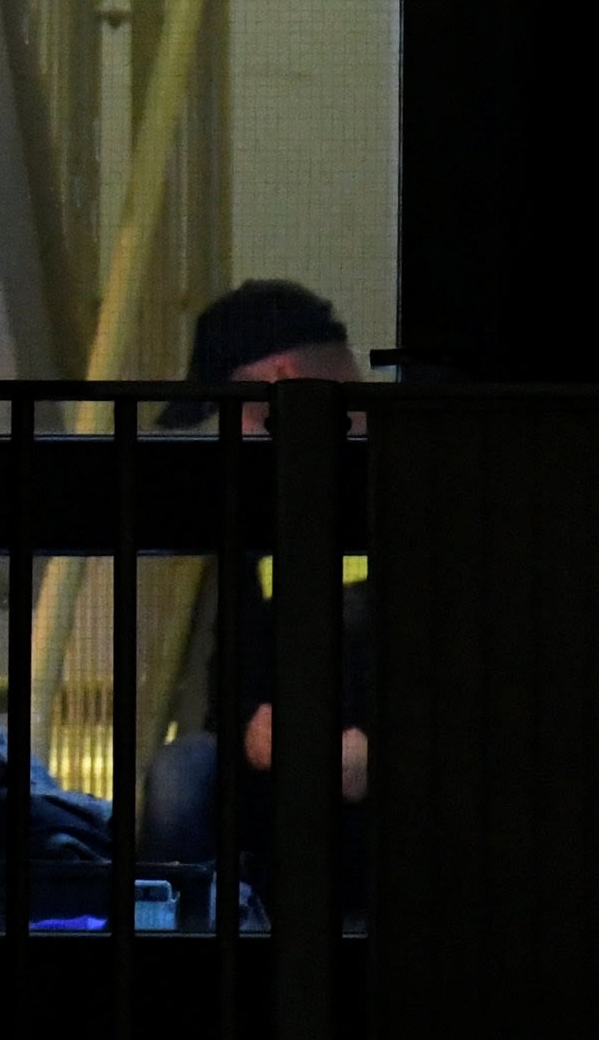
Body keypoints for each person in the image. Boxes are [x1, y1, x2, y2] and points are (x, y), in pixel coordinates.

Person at [136, 281, 373, 902]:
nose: (231, 437)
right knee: (184, 772)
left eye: (232, 413)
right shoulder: (261, 505)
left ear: (279, 382)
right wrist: (252, 728)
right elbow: (230, 676)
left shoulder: (432, 480)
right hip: (278, 770)